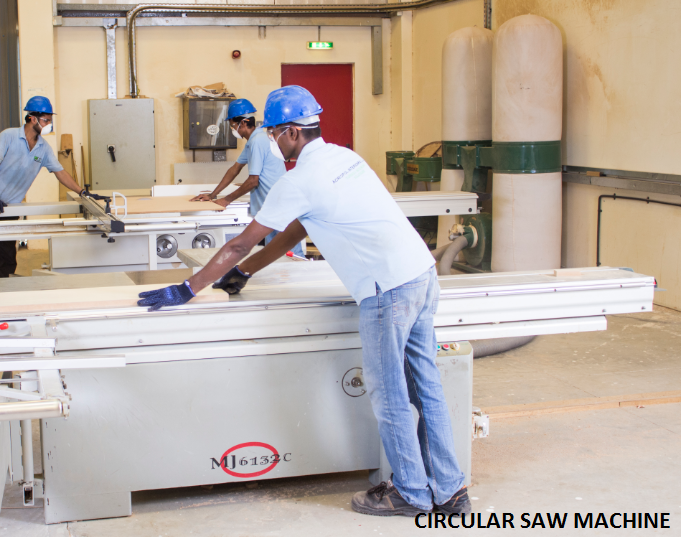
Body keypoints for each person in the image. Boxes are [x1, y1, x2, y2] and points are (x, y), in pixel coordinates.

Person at [138, 86, 471, 517]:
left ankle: (409, 492)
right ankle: (450, 490)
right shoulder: (345, 158)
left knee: (389, 394)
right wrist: (247, 272)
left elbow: (239, 243)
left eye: (274, 133)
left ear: (293, 132)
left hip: (387, 291)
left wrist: (188, 288)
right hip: (421, 274)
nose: (271, 141)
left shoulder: (300, 179)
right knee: (426, 387)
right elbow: (298, 227)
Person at [0, 96, 101, 279]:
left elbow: (60, 172)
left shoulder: (43, 148)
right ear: (33, 118)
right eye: (46, 120)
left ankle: (3, 289)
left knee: (7, 254)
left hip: (9, 208)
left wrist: (82, 192)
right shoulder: (8, 136)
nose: (49, 124)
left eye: (50, 120)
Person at [190, 98, 304, 258]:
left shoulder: (258, 141)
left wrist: (227, 200)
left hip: (278, 205)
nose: (233, 129)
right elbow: (234, 169)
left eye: (233, 126)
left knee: (290, 255)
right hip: (270, 206)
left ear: (243, 123)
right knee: (275, 255)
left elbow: (253, 181)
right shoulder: (254, 141)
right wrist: (213, 195)